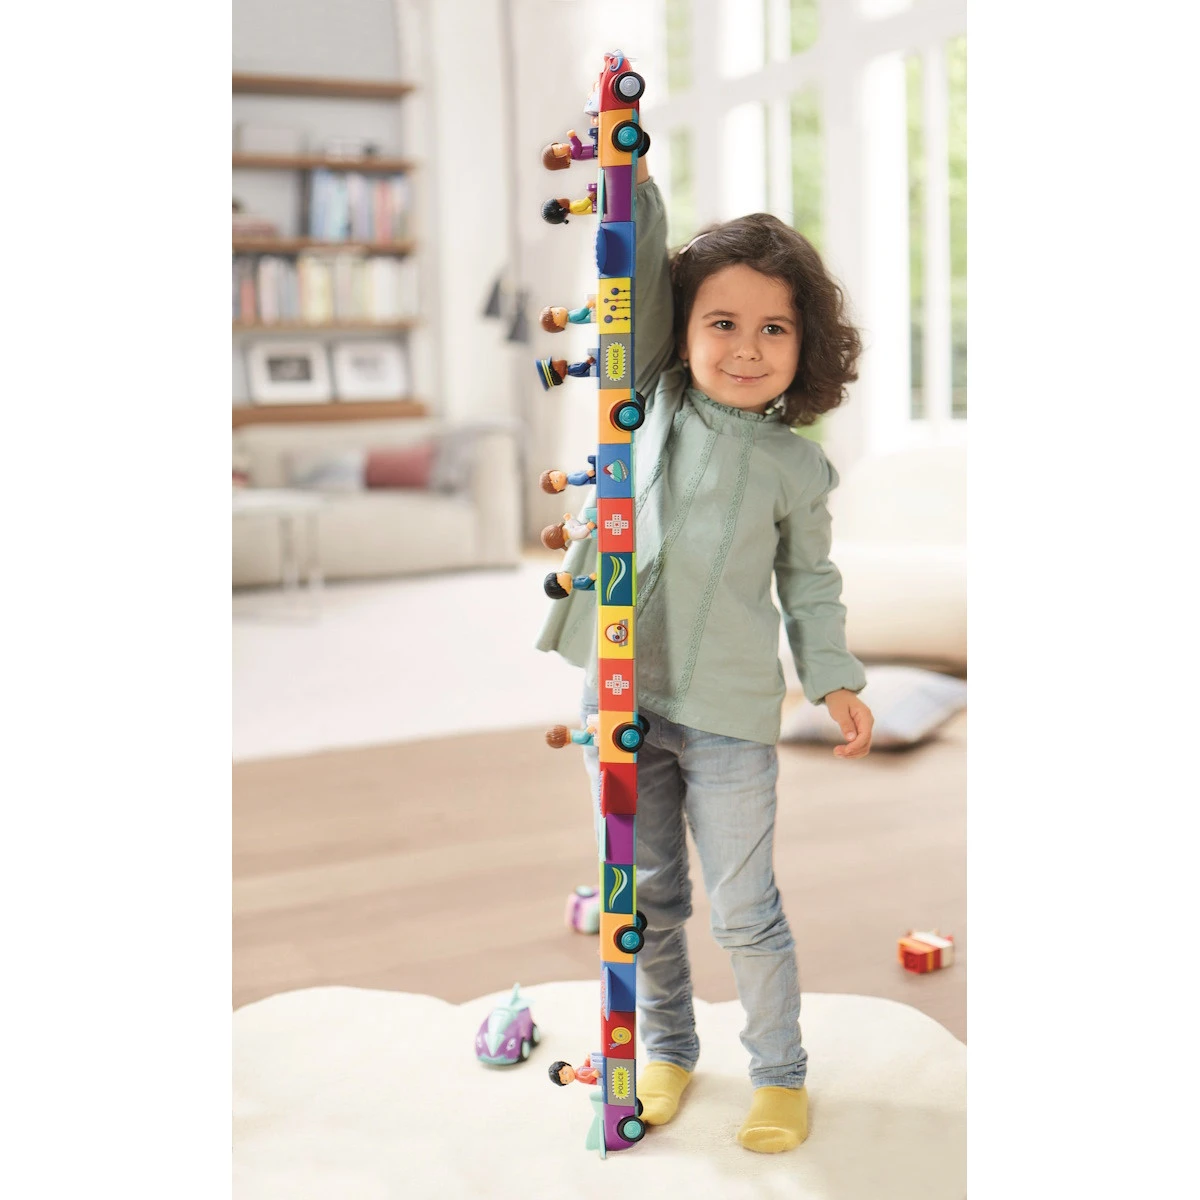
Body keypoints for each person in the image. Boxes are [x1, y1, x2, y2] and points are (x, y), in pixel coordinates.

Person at [536, 145, 875, 1155]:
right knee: (648, 899)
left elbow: (809, 583)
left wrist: (833, 676)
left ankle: (780, 1073)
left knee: (744, 909)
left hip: (728, 716)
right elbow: (635, 277)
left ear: (805, 345)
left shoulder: (796, 468)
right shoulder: (647, 398)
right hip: (622, 695)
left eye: (774, 328)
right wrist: (629, 185)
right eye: (721, 322)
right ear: (682, 331)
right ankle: (670, 1050)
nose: (745, 347)